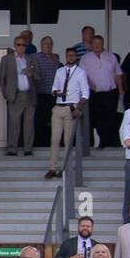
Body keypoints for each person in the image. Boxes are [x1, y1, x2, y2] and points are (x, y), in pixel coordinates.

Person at [47, 47, 89, 178]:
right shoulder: (59, 71)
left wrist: (79, 108)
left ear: (76, 57)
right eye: (68, 55)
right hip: (58, 105)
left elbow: (86, 93)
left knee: (67, 140)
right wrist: (56, 92)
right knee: (54, 139)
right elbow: (54, 87)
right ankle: (52, 167)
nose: (70, 58)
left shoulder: (80, 72)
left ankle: (66, 168)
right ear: (66, 57)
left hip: (71, 107)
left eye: (72, 56)